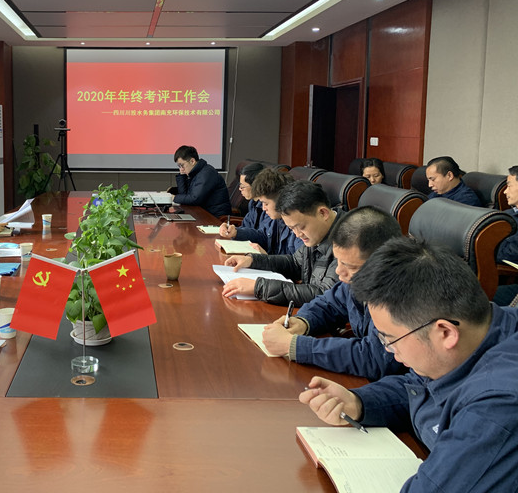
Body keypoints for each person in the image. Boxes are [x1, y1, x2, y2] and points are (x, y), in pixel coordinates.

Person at [300, 237, 518, 492]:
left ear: (445, 333)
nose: (388, 350)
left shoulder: (497, 405)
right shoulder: (478, 329)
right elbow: (418, 385)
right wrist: (358, 403)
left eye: (390, 339)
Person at [261, 206, 406, 380]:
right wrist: (303, 322)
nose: (338, 271)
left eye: (350, 266)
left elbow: (376, 358)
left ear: (383, 261)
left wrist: (296, 346)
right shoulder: (358, 278)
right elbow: (329, 304)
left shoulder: (403, 294)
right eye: (338, 261)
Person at [222, 180, 340, 306]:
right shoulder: (317, 232)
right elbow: (295, 263)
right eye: (291, 229)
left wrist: (259, 287)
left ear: (323, 213)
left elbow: (324, 294)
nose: (297, 234)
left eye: (301, 227)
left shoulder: (348, 240)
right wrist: (253, 260)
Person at [171, 145, 231, 218]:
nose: (181, 169)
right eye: (179, 166)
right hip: (204, 213)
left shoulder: (206, 174)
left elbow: (194, 199)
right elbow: (185, 194)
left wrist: (174, 198)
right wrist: (182, 175)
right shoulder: (195, 173)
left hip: (215, 217)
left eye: (182, 165)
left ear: (192, 161)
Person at [218, 163, 267, 248]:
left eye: (242, 186)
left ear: (255, 186)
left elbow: (264, 238)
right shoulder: (253, 203)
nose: (240, 189)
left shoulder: (269, 207)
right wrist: (231, 229)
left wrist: (237, 232)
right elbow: (246, 226)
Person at [494, 165, 518, 306]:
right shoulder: (507, 214)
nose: (505, 192)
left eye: (509, 186)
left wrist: (483, 251)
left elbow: (511, 255)